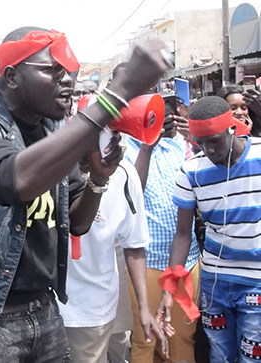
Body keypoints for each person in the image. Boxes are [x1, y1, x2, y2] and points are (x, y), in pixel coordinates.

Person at [0, 26, 170, 362]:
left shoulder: (51, 128)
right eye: (53, 70)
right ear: (13, 77)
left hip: (44, 308)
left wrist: (97, 181)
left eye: (69, 72)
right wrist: (118, 93)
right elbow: (14, 181)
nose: (68, 81)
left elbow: (76, 221)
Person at [156, 96, 261, 362]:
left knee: (252, 356)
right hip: (215, 282)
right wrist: (169, 290)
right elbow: (182, 235)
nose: (209, 151)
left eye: (214, 141)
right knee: (220, 356)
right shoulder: (191, 171)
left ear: (232, 128)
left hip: (256, 281)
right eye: (200, 143)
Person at [59, 157, 166, 363]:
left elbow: (134, 244)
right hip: (44, 305)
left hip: (92, 308)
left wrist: (144, 307)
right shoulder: (51, 160)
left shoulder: (125, 174)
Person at [124, 91, 201, 362]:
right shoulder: (123, 151)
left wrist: (193, 135)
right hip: (146, 265)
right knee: (145, 338)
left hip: (185, 262)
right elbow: (132, 194)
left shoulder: (177, 147)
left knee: (181, 336)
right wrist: (147, 145)